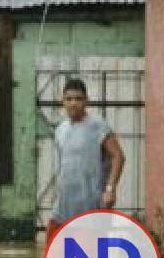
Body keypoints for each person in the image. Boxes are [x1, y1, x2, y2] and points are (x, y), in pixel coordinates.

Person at [47, 78, 125, 245]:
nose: (73, 103)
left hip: (91, 204)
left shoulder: (98, 127)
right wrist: (56, 191)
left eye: (78, 99)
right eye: (69, 99)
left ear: (86, 101)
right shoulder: (61, 129)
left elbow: (118, 155)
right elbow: (64, 164)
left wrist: (110, 189)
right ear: (63, 101)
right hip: (64, 204)